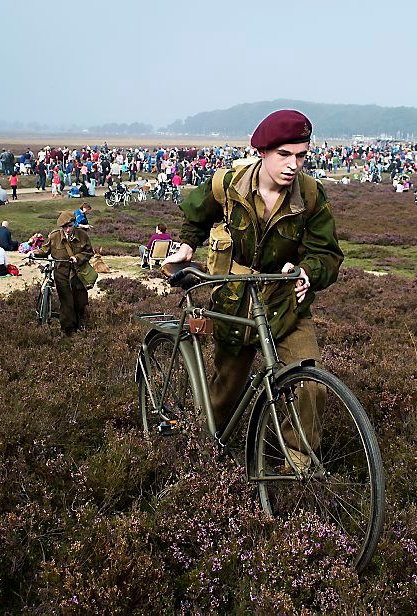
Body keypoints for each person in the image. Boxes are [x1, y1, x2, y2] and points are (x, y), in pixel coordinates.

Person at [163, 109, 343, 469]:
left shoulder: (310, 196)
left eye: (302, 155)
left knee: (311, 388)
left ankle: (297, 463)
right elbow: (196, 215)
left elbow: (328, 253)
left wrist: (309, 271)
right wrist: (186, 244)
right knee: (223, 395)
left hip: (285, 305)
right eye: (285, 154)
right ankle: (205, 454)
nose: (294, 164)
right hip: (234, 302)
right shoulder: (227, 184)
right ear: (262, 151)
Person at [31, 211, 94, 335]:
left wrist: (78, 257)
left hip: (77, 273)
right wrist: (34, 253)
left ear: (74, 223)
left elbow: (89, 252)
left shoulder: (82, 235)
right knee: (67, 302)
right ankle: (68, 332)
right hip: (61, 273)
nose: (68, 229)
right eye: (65, 227)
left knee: (80, 302)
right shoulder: (54, 236)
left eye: (70, 226)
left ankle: (81, 326)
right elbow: (45, 249)